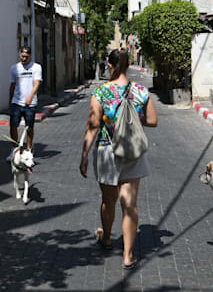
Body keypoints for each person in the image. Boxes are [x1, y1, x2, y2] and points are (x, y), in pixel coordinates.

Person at [79, 49, 158, 269]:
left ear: (110, 65)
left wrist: (85, 154)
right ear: (128, 65)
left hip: (107, 151)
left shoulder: (102, 92)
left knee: (108, 201)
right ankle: (128, 254)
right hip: (133, 151)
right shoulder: (141, 91)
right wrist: (133, 117)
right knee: (130, 204)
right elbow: (152, 120)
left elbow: (94, 125)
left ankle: (106, 238)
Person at [6, 46, 42, 161]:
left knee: (29, 127)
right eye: (22, 56)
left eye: (26, 57)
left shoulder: (36, 67)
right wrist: (10, 100)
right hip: (17, 102)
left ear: (30, 56)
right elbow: (12, 85)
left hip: (30, 104)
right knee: (13, 126)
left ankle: (29, 148)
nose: (24, 59)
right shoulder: (14, 68)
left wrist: (30, 97)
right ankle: (15, 149)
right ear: (19, 55)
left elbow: (37, 83)